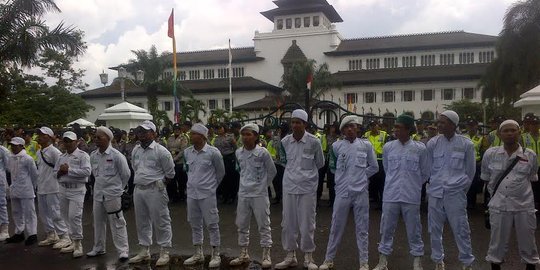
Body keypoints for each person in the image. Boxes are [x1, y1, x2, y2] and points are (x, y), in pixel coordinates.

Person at [318, 116, 378, 270]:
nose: (350, 129)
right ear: (343, 130)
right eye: (346, 127)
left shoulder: (366, 145)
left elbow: (374, 166)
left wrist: (362, 177)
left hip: (361, 192)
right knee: (336, 226)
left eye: (352, 126)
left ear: (357, 128)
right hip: (343, 192)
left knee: (362, 228)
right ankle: (328, 260)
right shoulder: (337, 146)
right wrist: (343, 180)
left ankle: (364, 262)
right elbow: (332, 168)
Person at [372, 114, 429, 270]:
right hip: (391, 194)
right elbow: (388, 169)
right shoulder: (388, 147)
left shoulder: (420, 148)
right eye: (395, 127)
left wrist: (413, 184)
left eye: (399, 127)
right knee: (386, 228)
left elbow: (425, 173)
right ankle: (383, 261)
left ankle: (417, 261)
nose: (395, 130)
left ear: (409, 129)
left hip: (411, 195)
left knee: (414, 229)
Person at [482, 120, 539, 270]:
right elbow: (486, 179)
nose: (509, 133)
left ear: (519, 132)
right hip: (499, 205)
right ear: (499, 134)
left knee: (528, 242)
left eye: (513, 130)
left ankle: (530, 266)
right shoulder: (490, 154)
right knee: (497, 243)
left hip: (524, 205)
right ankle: (495, 266)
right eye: (505, 131)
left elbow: (532, 177)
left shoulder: (530, 155)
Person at [275, 109, 324, 270]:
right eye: (293, 122)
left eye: (299, 122)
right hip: (289, 186)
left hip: (307, 188)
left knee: (307, 223)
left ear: (305, 124)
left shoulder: (314, 142)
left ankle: (308, 257)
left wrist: (306, 176)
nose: (295, 125)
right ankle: (290, 255)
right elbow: (283, 162)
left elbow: (320, 163)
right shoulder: (285, 142)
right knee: (288, 223)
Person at [426, 110, 475, 270]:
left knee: (461, 228)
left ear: (453, 125)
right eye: (438, 122)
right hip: (435, 192)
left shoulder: (466, 144)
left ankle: (467, 262)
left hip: (455, 193)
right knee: (434, 229)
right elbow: (429, 168)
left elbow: (470, 173)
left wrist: (460, 190)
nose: (439, 125)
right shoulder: (433, 143)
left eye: (443, 122)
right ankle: (438, 260)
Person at [128, 120, 175, 266]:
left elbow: (170, 173)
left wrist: (160, 184)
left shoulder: (161, 151)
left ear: (154, 134)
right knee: (141, 221)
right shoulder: (136, 150)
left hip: (155, 189)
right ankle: (144, 250)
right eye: (140, 131)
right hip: (139, 189)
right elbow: (134, 167)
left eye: (145, 131)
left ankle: (164, 250)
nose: (141, 134)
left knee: (161, 220)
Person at [229, 124, 277, 268]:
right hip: (243, 193)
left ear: (255, 136)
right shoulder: (238, 153)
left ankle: (266, 254)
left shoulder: (262, 153)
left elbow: (272, 171)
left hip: (259, 194)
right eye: (243, 134)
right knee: (242, 224)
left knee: (264, 224)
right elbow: (242, 172)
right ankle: (243, 253)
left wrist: (263, 186)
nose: (245, 137)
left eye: (248, 134)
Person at [183, 123, 225, 268]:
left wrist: (212, 187)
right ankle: (198, 253)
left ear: (202, 137)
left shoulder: (213, 152)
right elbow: (187, 170)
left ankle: (216, 253)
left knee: (212, 223)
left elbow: (221, 173)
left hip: (207, 194)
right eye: (191, 133)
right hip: (192, 194)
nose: (190, 135)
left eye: (194, 133)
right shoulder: (187, 152)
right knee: (195, 224)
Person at [87, 127, 130, 261]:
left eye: (99, 137)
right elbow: (95, 174)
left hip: (113, 194)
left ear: (108, 139)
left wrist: (118, 189)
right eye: (95, 137)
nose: (96, 139)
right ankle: (99, 247)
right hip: (98, 194)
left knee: (117, 222)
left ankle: (123, 250)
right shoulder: (93, 155)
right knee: (98, 222)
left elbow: (126, 175)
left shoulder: (116, 155)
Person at [54, 131, 91, 257]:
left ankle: (78, 244)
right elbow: (55, 174)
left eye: (70, 141)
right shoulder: (61, 157)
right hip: (63, 188)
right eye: (66, 141)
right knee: (65, 217)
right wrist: (60, 172)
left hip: (77, 190)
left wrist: (69, 170)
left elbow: (86, 172)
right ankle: (72, 241)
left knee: (74, 216)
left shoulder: (82, 155)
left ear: (77, 142)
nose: (68, 143)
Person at [35, 127, 68, 247]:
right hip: (42, 187)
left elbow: (61, 168)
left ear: (48, 137)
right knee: (44, 213)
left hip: (53, 187)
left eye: (42, 135)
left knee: (56, 213)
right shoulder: (39, 152)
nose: (39, 137)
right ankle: (51, 234)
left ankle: (64, 236)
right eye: (39, 134)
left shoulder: (55, 152)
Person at [5, 137, 38, 245]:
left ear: (21, 146)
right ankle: (19, 232)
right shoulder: (10, 158)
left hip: (26, 188)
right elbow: (9, 171)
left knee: (29, 212)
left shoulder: (28, 158)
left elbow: (34, 174)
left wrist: (33, 187)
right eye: (12, 145)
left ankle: (32, 234)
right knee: (16, 212)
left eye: (15, 145)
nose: (13, 147)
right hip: (14, 188)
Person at [364, 120, 389, 209]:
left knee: (381, 182)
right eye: (371, 126)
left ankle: (382, 202)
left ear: (378, 126)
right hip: (370, 161)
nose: (373, 127)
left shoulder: (384, 134)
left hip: (380, 160)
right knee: (371, 181)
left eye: (374, 125)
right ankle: (374, 199)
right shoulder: (366, 135)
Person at [464, 118, 484, 209]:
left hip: (476, 163)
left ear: (476, 126)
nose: (471, 127)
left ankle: (472, 203)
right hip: (464, 164)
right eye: (469, 125)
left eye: (473, 125)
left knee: (473, 184)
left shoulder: (481, 138)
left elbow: (483, 151)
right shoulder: (463, 137)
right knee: (463, 183)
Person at [167, 123, 189, 202]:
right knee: (172, 179)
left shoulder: (184, 138)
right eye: (175, 129)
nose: (177, 131)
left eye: (178, 129)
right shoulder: (170, 138)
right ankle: (175, 196)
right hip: (171, 161)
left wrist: (175, 159)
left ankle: (182, 195)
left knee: (181, 180)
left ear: (180, 130)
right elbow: (167, 149)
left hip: (179, 161)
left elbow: (183, 150)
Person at [0, 144, 9, 241]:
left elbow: (8, 167)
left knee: (1, 205)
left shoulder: (3, 151)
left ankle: (4, 230)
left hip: (0, 182)